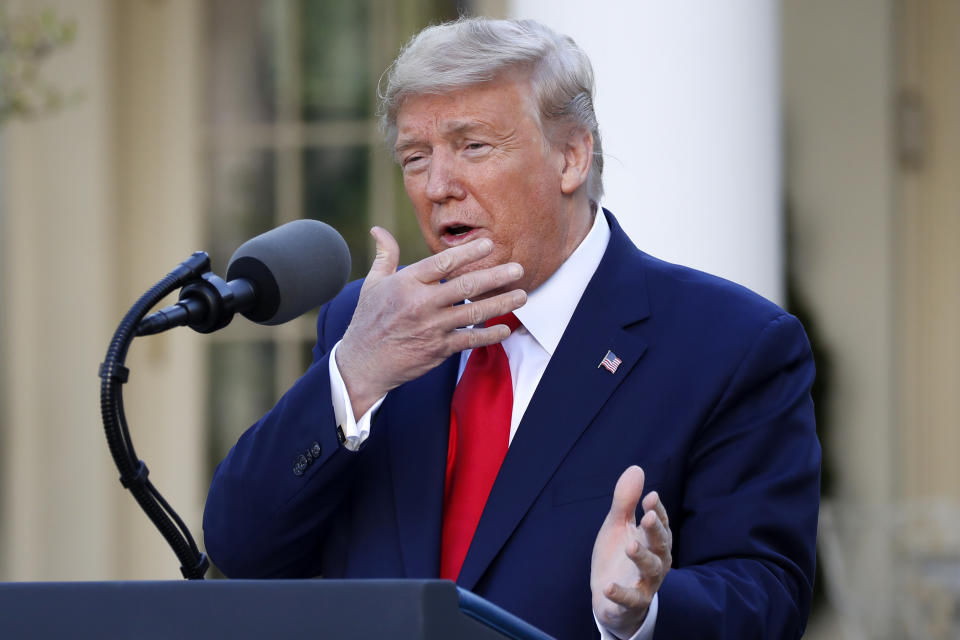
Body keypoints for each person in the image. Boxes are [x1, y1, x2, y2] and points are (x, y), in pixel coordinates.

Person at [203, 17, 820, 640]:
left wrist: (643, 609)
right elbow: (245, 548)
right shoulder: (368, 326)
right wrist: (356, 373)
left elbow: (767, 596)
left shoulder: (730, 344)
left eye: (473, 147)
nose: (438, 187)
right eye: (416, 158)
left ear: (571, 157)